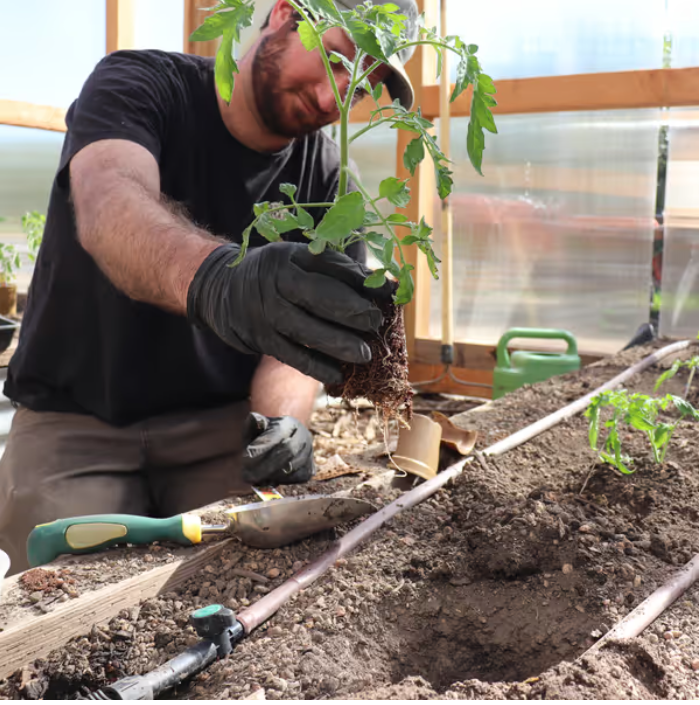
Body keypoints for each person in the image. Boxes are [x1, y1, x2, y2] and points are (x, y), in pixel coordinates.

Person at [0, 0, 418, 572]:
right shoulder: (142, 84)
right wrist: (217, 279)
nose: (331, 99)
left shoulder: (329, 181)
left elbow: (300, 338)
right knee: (68, 595)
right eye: (336, 58)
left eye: (359, 88)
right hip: (76, 422)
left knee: (247, 585)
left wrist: (282, 423)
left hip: (222, 430)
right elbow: (109, 202)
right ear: (281, 15)